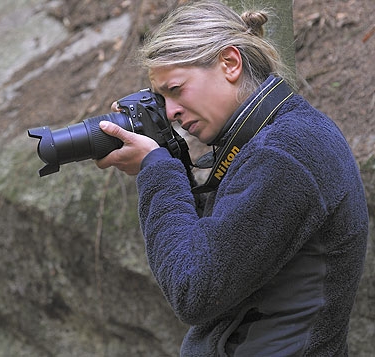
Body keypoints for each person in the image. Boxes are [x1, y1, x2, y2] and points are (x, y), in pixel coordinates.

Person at [96, 1, 369, 355]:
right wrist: (167, 160)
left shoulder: (284, 154)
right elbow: (220, 250)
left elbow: (193, 290)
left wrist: (158, 171)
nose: (172, 112)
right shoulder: (280, 135)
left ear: (230, 63)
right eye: (161, 99)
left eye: (176, 89)